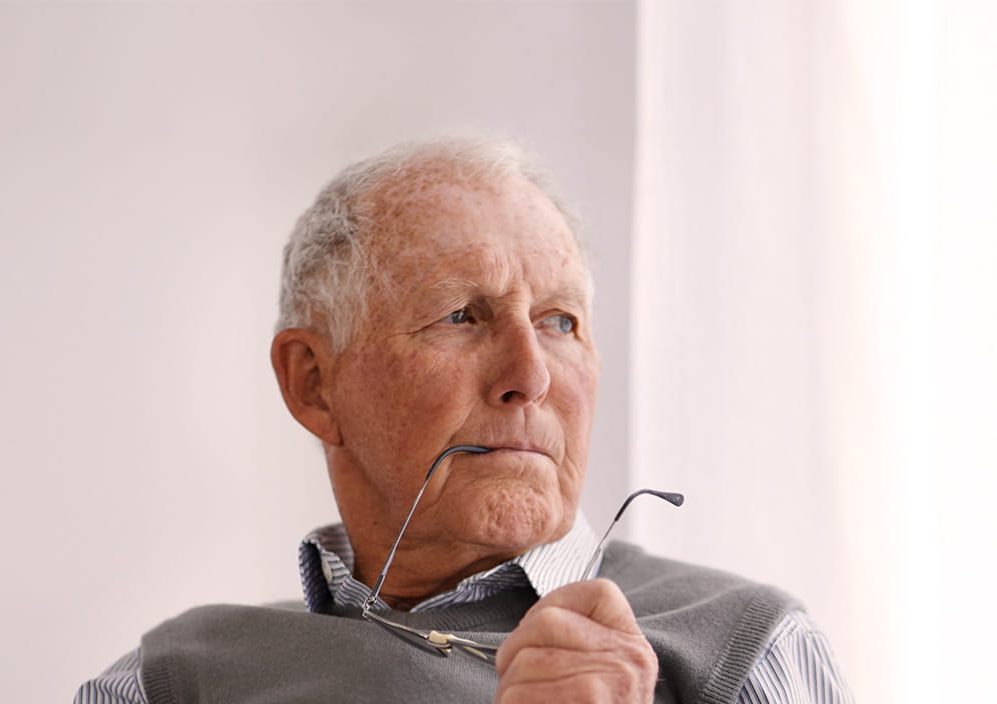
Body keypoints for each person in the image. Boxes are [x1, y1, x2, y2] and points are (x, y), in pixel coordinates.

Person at [74, 138, 852, 703]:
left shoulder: (749, 652)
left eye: (559, 323)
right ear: (314, 383)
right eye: (460, 316)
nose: (530, 375)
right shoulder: (173, 682)